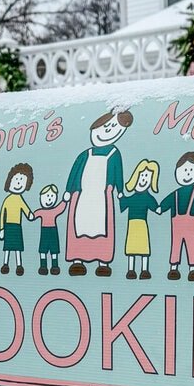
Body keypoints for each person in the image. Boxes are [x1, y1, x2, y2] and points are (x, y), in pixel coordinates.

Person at [64, 109, 131, 276]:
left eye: (113, 127)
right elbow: (75, 172)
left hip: (102, 195)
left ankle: (103, 261)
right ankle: (77, 260)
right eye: (105, 126)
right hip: (82, 196)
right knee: (78, 225)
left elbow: (118, 173)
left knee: (103, 227)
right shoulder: (84, 154)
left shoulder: (114, 154)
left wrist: (120, 191)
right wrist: (68, 190)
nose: (107, 130)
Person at [156, 151, 194, 281]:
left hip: (192, 225)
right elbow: (166, 202)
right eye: (184, 170)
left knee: (192, 245)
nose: (188, 173)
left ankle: (193, 269)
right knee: (175, 245)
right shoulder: (176, 193)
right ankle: (174, 268)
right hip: (177, 225)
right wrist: (161, 207)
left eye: (191, 170)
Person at [118, 159, 160, 279]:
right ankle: (131, 270)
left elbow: (155, 207)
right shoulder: (133, 197)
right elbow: (124, 204)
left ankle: (144, 270)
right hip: (132, 225)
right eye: (142, 176)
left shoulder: (147, 197)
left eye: (147, 178)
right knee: (131, 248)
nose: (143, 180)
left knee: (144, 248)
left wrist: (159, 209)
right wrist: (121, 197)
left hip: (142, 225)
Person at [0, 163, 33, 275]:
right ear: (10, 181)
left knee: (18, 247)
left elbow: (26, 209)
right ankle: (5, 264)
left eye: (22, 180)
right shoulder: (8, 200)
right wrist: (1, 229)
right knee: (7, 248)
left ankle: (19, 265)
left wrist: (30, 215)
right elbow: (2, 214)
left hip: (17, 227)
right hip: (8, 226)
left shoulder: (20, 199)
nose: (18, 183)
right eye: (16, 179)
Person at [30, 183, 67, 275]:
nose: (49, 199)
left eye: (51, 196)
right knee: (43, 249)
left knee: (54, 250)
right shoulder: (41, 211)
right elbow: (33, 215)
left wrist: (65, 200)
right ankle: (43, 266)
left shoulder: (54, 211)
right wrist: (30, 215)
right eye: (47, 196)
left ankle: (55, 266)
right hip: (44, 231)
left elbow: (60, 208)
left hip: (53, 231)